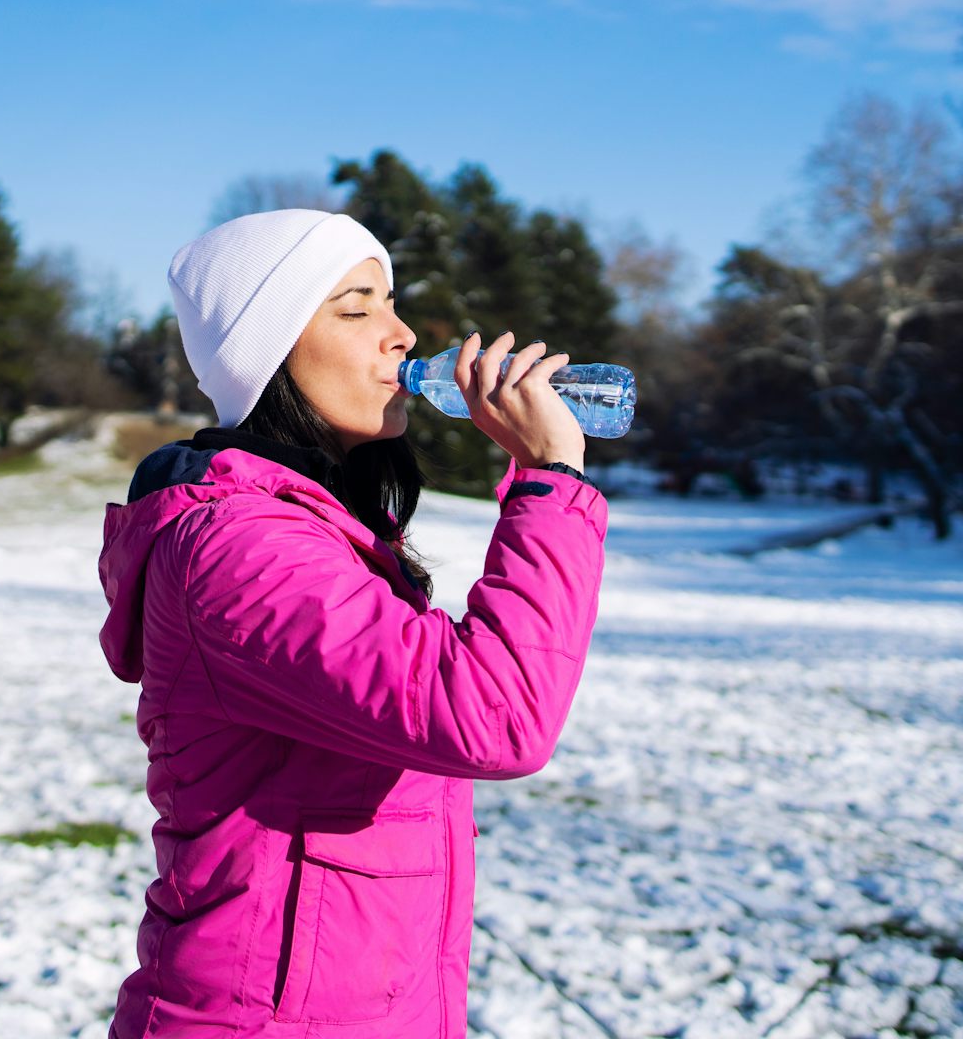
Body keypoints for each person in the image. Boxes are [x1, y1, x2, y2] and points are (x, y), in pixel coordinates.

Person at [98, 209, 608, 1037]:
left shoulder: (326, 533)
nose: (402, 335)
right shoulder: (237, 547)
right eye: (357, 307)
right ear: (269, 351)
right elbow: (492, 717)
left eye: (393, 302)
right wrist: (550, 478)